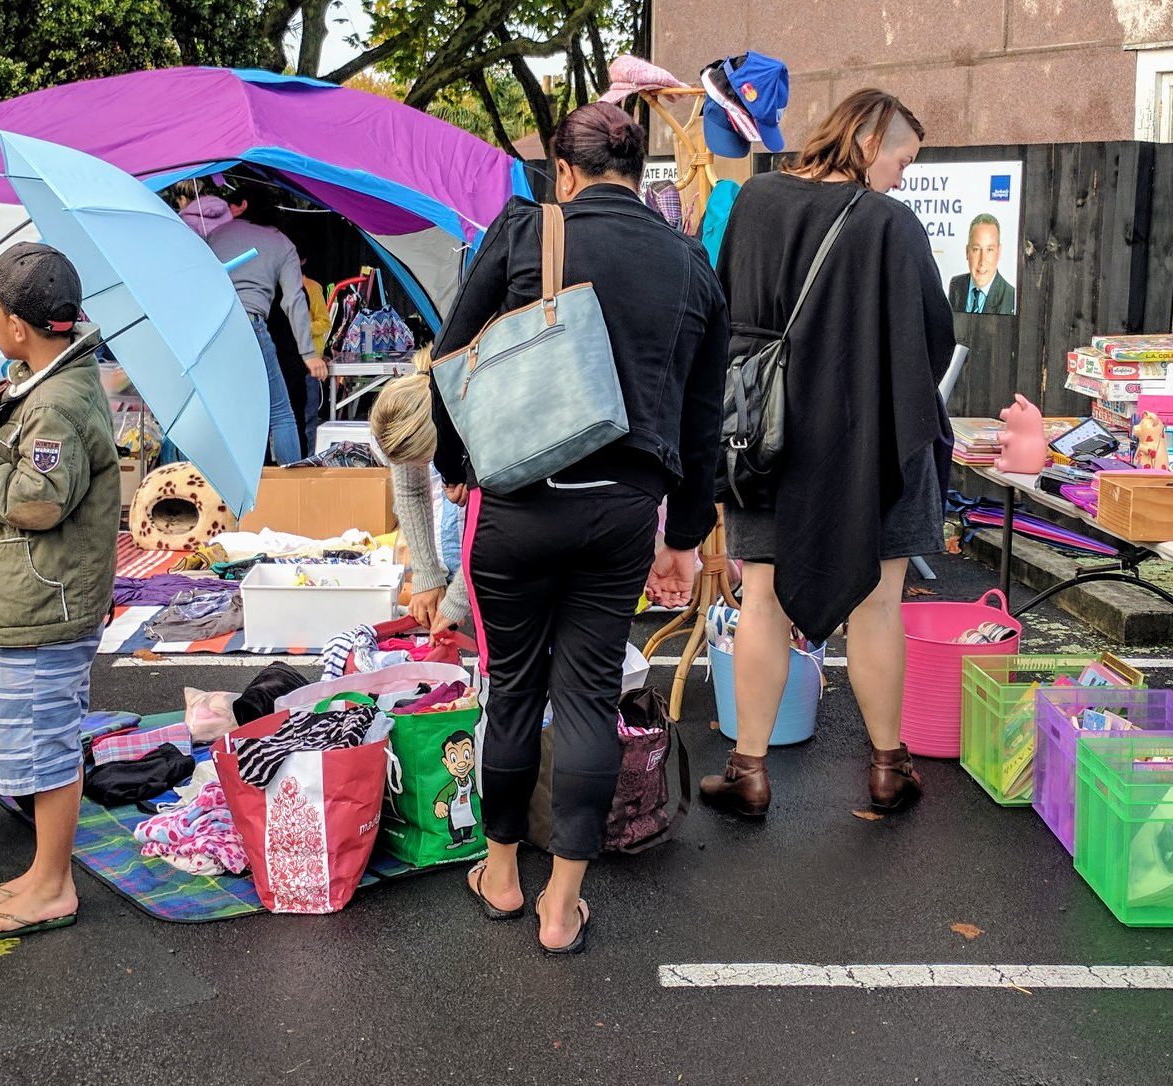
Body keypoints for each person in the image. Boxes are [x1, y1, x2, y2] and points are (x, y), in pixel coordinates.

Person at [432, 101, 728, 956]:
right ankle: (563, 905)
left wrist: (458, 465)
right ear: (640, 175)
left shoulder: (526, 232)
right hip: (624, 512)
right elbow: (702, 422)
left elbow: (450, 359)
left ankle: (499, 872)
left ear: (563, 171)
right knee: (589, 695)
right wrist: (685, 534)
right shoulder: (688, 260)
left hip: (520, 503)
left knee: (515, 688)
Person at [703, 88, 952, 821]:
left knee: (763, 599)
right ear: (871, 139)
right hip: (875, 451)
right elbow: (928, 343)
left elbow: (726, 315)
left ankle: (748, 770)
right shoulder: (892, 227)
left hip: (765, 440)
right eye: (903, 158)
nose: (903, 177)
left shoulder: (753, 205)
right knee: (877, 604)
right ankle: (887, 767)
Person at [0, 243, 119, 941]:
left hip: (50, 601)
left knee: (47, 743)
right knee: (33, 739)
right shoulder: (49, 379)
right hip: (42, 595)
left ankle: (53, 884)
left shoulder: (58, 406)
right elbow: (30, 408)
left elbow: (37, 501)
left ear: (17, 326)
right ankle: (43, 872)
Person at [180, 184, 326, 463]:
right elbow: (294, 301)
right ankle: (289, 485)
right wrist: (309, 355)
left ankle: (215, 479)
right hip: (251, 324)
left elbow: (194, 281)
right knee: (281, 412)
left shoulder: (215, 234)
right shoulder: (284, 244)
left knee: (215, 409)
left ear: (243, 205)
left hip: (213, 328)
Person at [369, 348, 470, 633]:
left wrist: (459, 597)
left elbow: (503, 516)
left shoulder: (478, 405)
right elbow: (411, 491)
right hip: (469, 551)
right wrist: (427, 574)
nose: (430, 472)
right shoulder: (409, 405)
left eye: (429, 463)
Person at [947, 214, 1016, 315]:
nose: (982, 261)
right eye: (976, 249)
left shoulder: (1011, 298)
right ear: (967, 252)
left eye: (989, 250)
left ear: (999, 252)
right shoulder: (956, 285)